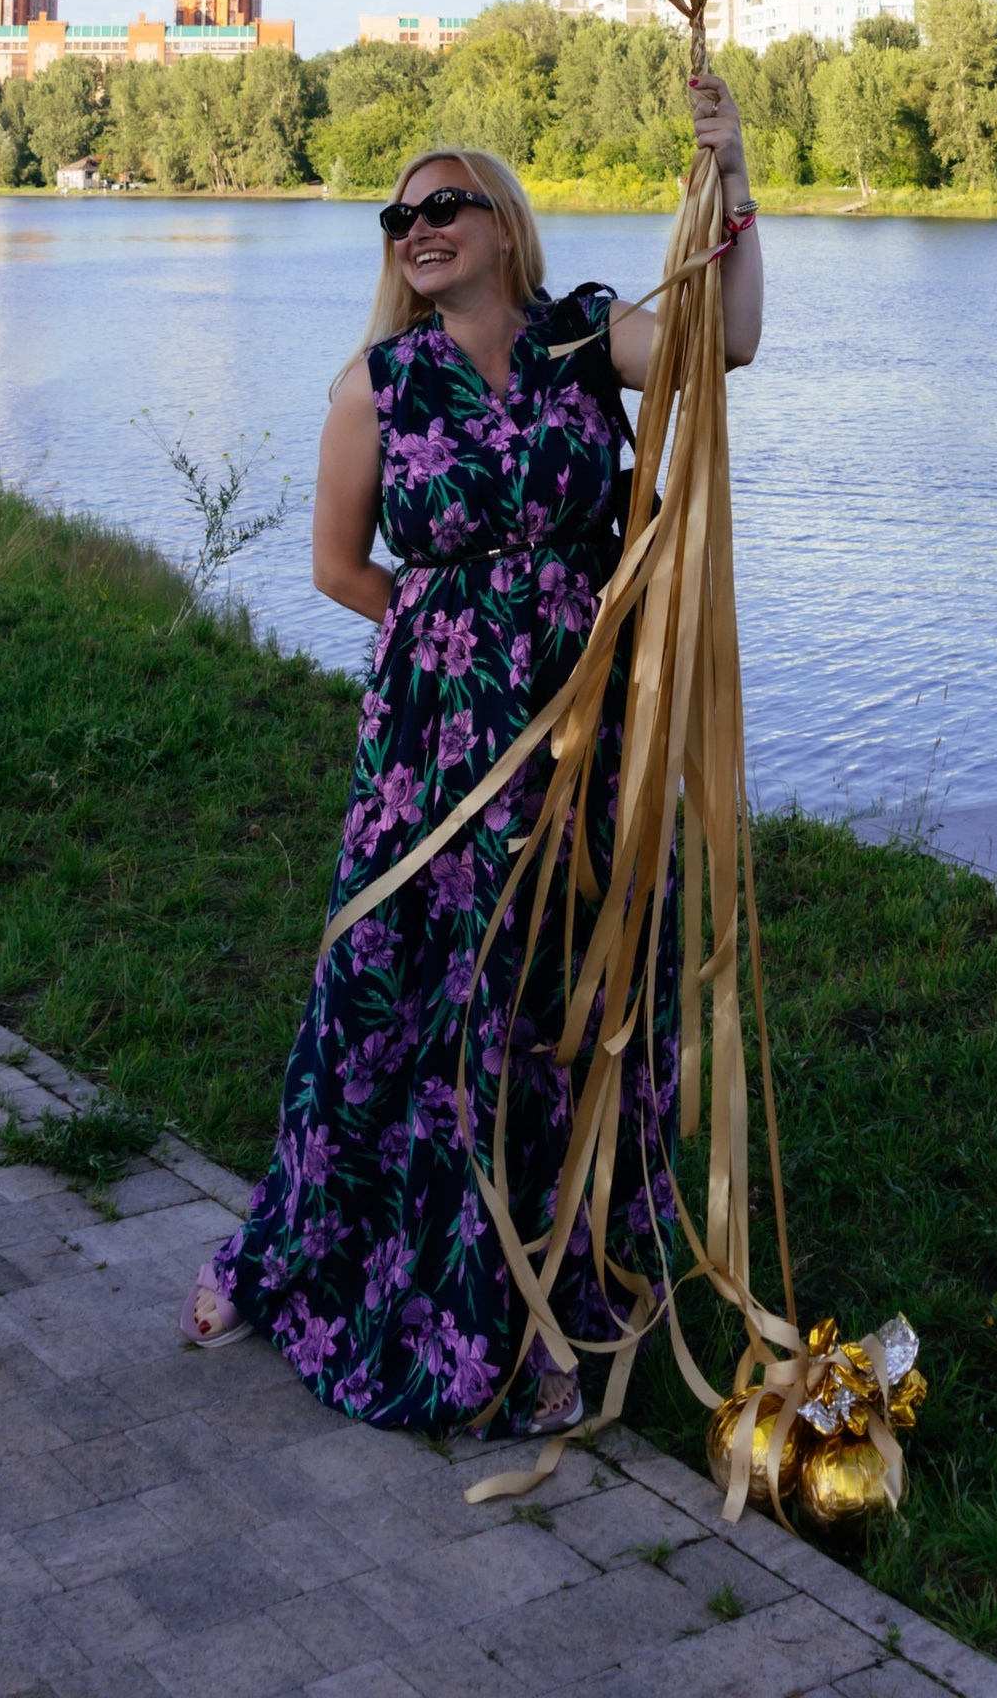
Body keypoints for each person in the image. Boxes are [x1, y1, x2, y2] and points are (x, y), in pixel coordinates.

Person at [183, 69, 763, 1434]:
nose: (416, 229)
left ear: (501, 224)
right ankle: (383, 1284)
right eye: (398, 218)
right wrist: (455, 643)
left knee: (568, 999)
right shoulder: (376, 386)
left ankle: (562, 1290)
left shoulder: (579, 342)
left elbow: (722, 347)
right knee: (425, 1007)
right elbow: (339, 568)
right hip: (440, 763)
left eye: (442, 206)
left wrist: (730, 177)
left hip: (594, 731)